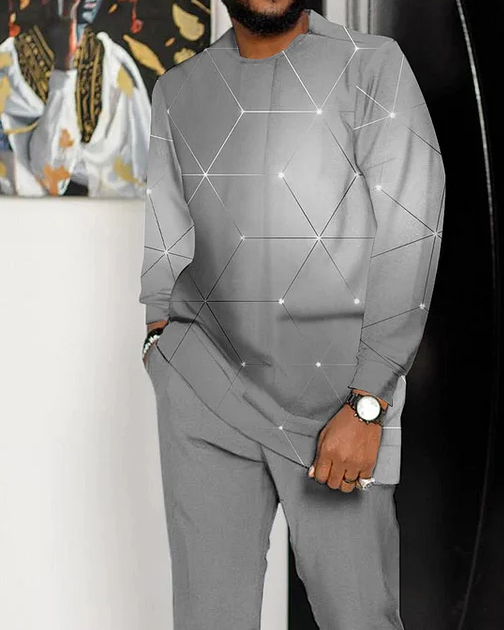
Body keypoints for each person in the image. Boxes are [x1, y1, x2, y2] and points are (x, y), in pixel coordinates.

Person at [139, 2, 445, 628]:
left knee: (357, 617)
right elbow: (167, 233)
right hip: (205, 392)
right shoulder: (178, 90)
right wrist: (160, 347)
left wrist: (369, 402)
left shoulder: (373, 67)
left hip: (337, 405)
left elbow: (411, 232)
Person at [0, 0, 150, 196]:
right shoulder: (7, 65)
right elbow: (51, 176)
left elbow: (141, 171)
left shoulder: (115, 64)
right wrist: (64, 68)